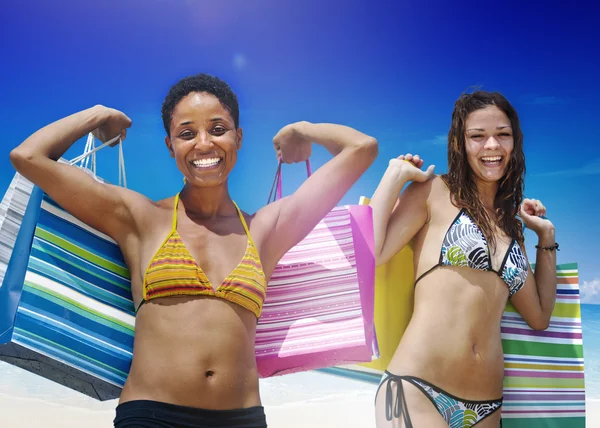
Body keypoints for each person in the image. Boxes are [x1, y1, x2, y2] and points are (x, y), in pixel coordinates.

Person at [9, 73, 378, 428]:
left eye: (218, 129)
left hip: (242, 419)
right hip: (151, 415)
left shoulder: (265, 230)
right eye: (187, 134)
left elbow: (362, 149)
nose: (204, 144)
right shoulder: (141, 218)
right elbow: (28, 156)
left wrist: (301, 130)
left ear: (238, 137)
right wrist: (99, 115)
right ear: (171, 146)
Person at [369, 90, 557, 428]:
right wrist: (393, 178)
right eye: (477, 136)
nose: (492, 146)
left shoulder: (511, 227)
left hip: (487, 407)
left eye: (503, 134)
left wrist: (545, 237)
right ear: (459, 143)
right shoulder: (433, 192)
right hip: (418, 388)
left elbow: (540, 316)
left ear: (515, 142)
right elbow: (373, 253)